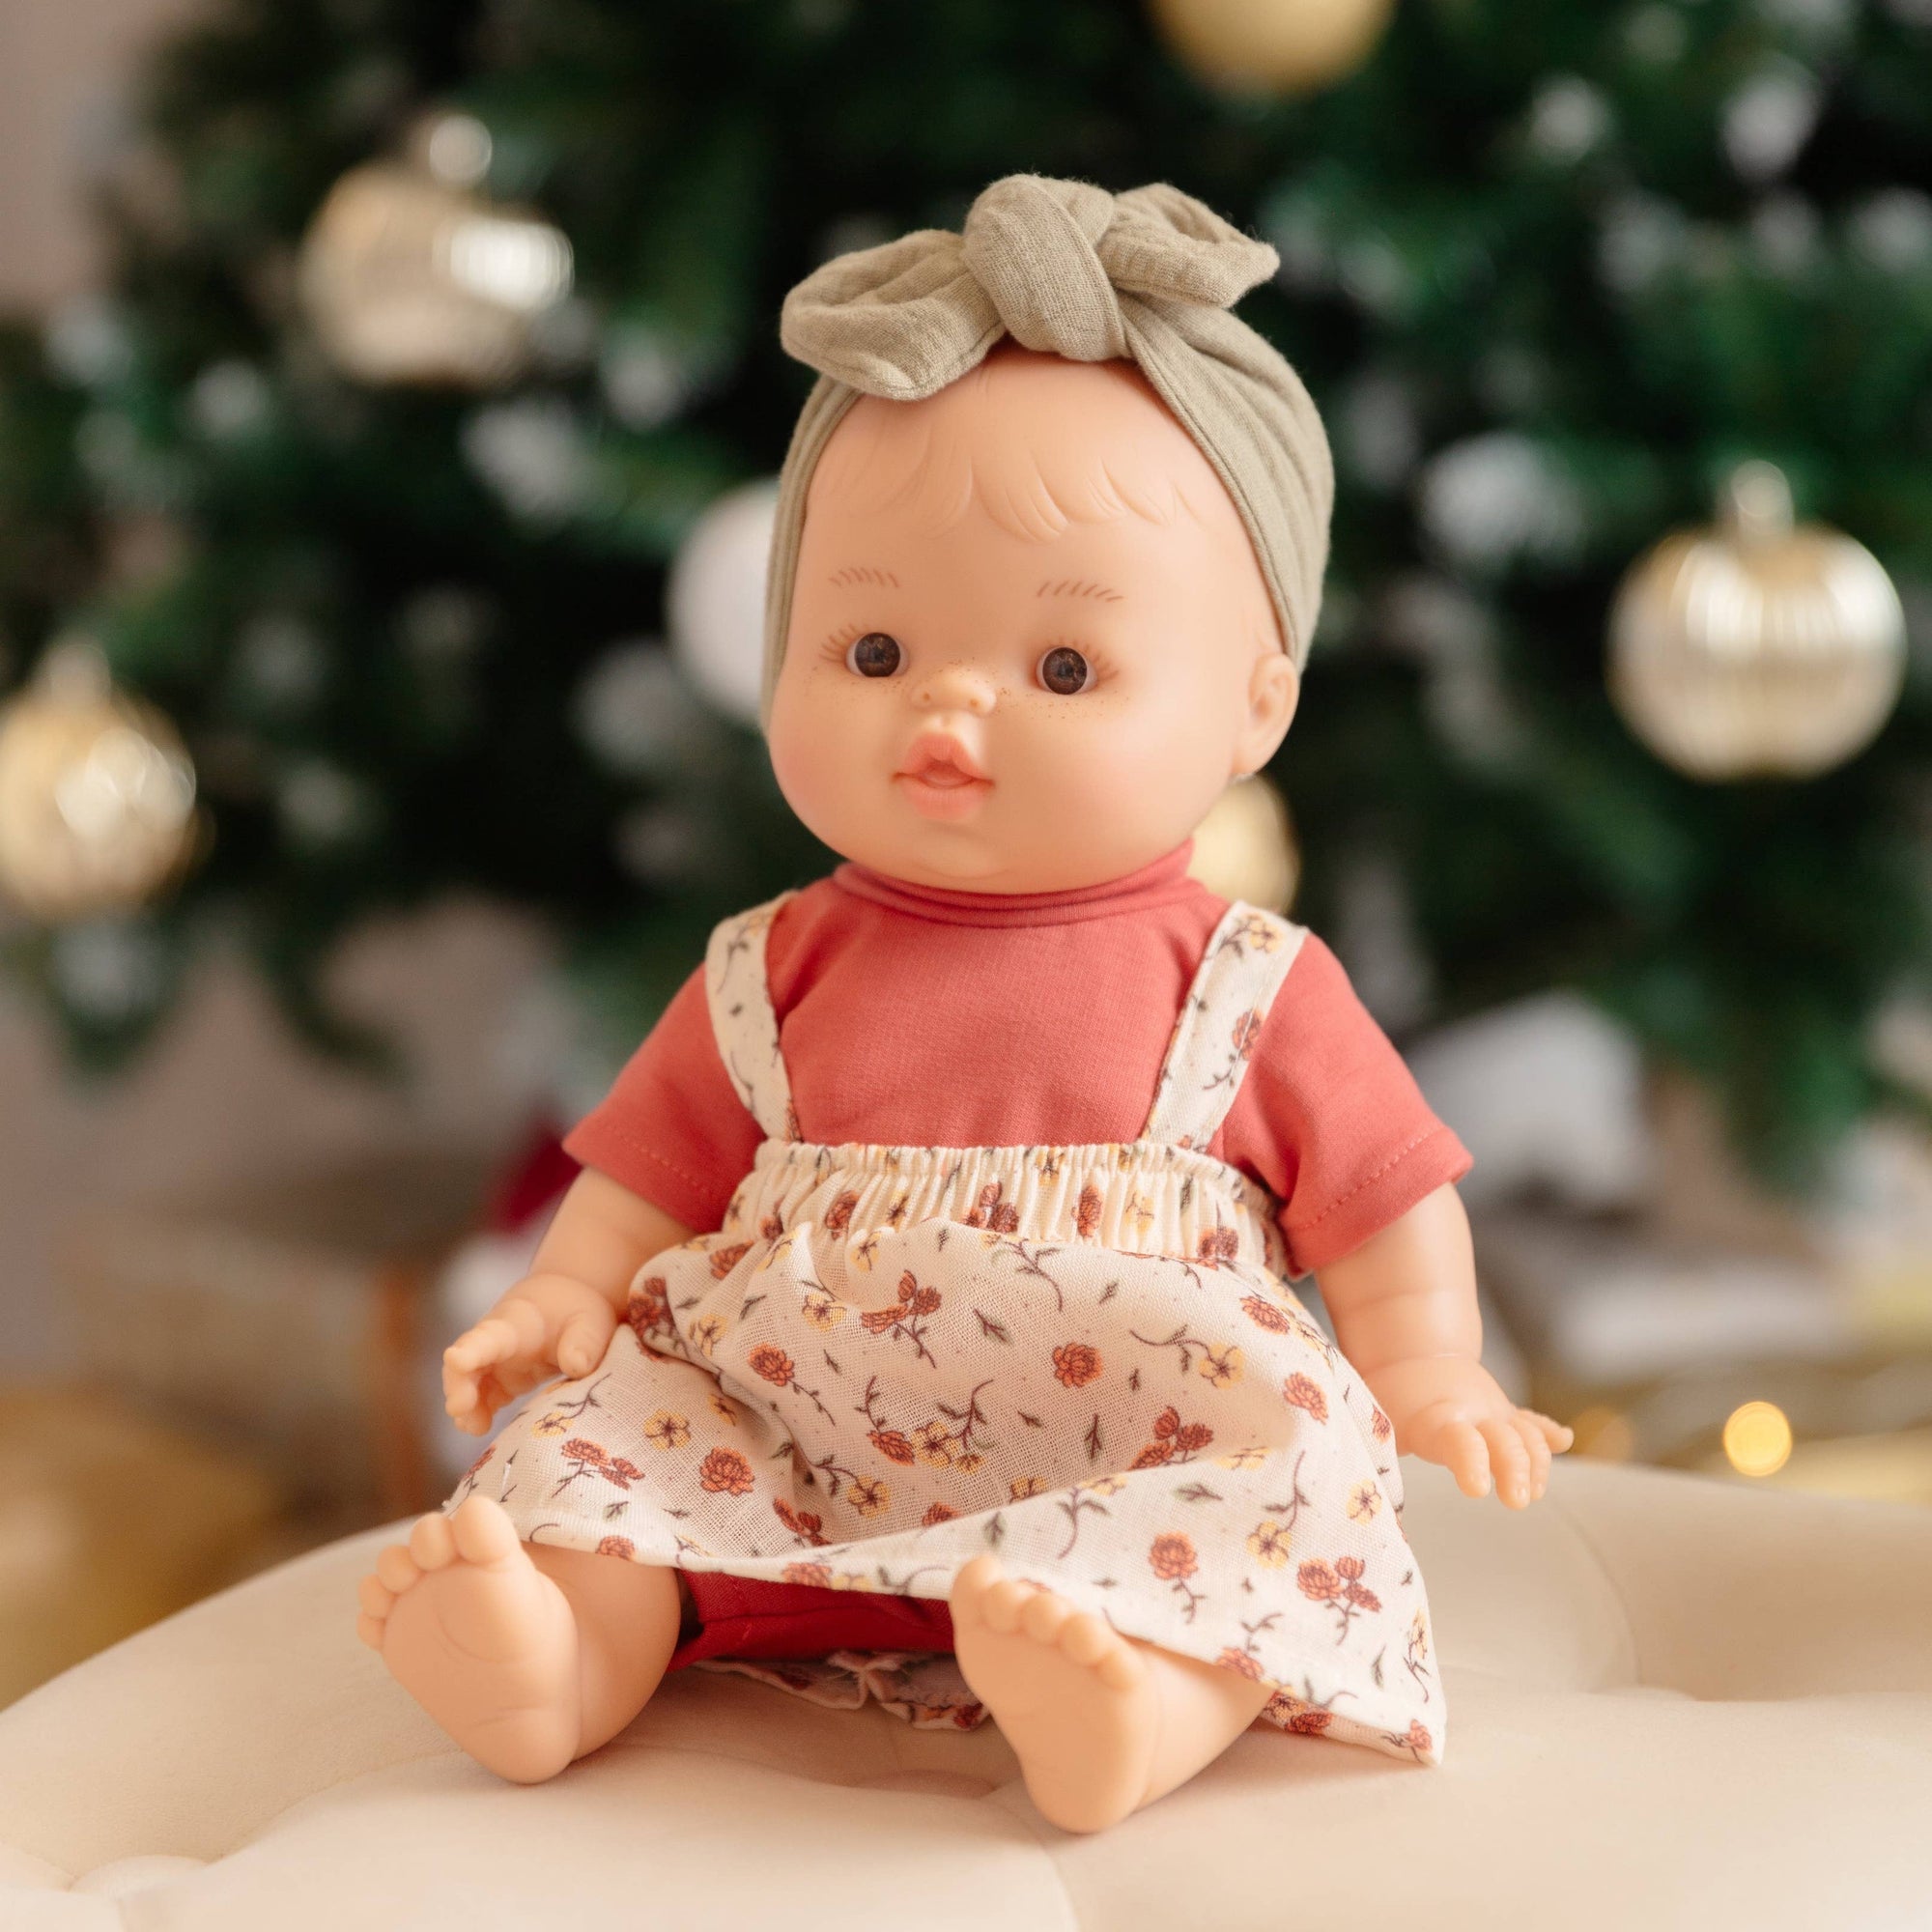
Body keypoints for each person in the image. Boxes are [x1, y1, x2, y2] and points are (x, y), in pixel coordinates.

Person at [355, 176, 1572, 1834]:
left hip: (1135, 1430)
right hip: (790, 1422)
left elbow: (1381, 1201)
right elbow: (647, 1174)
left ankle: (1128, 1702)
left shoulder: (1246, 982)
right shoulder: (768, 963)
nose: (947, 703)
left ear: (1255, 704)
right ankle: (558, 1652)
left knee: (1283, 1480)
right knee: (608, 1448)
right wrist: (568, 1296)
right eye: (868, 649)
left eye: (1064, 671)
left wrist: (1430, 1371)